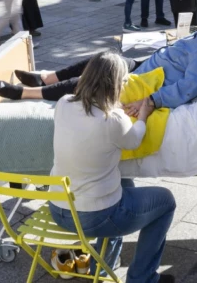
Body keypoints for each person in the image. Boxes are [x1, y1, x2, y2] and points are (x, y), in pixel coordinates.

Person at [47, 52, 176, 283]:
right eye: (124, 81)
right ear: (115, 84)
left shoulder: (63, 103)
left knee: (123, 181)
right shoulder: (113, 119)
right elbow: (134, 140)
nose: (125, 85)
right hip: (94, 216)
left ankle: (103, 266)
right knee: (166, 201)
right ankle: (143, 278)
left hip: (59, 209)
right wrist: (143, 115)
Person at [0, 0, 197, 108]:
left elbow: (188, 88)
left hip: (149, 82)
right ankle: (47, 78)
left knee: (94, 79)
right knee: (103, 58)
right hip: (148, 65)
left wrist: (152, 101)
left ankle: (25, 93)